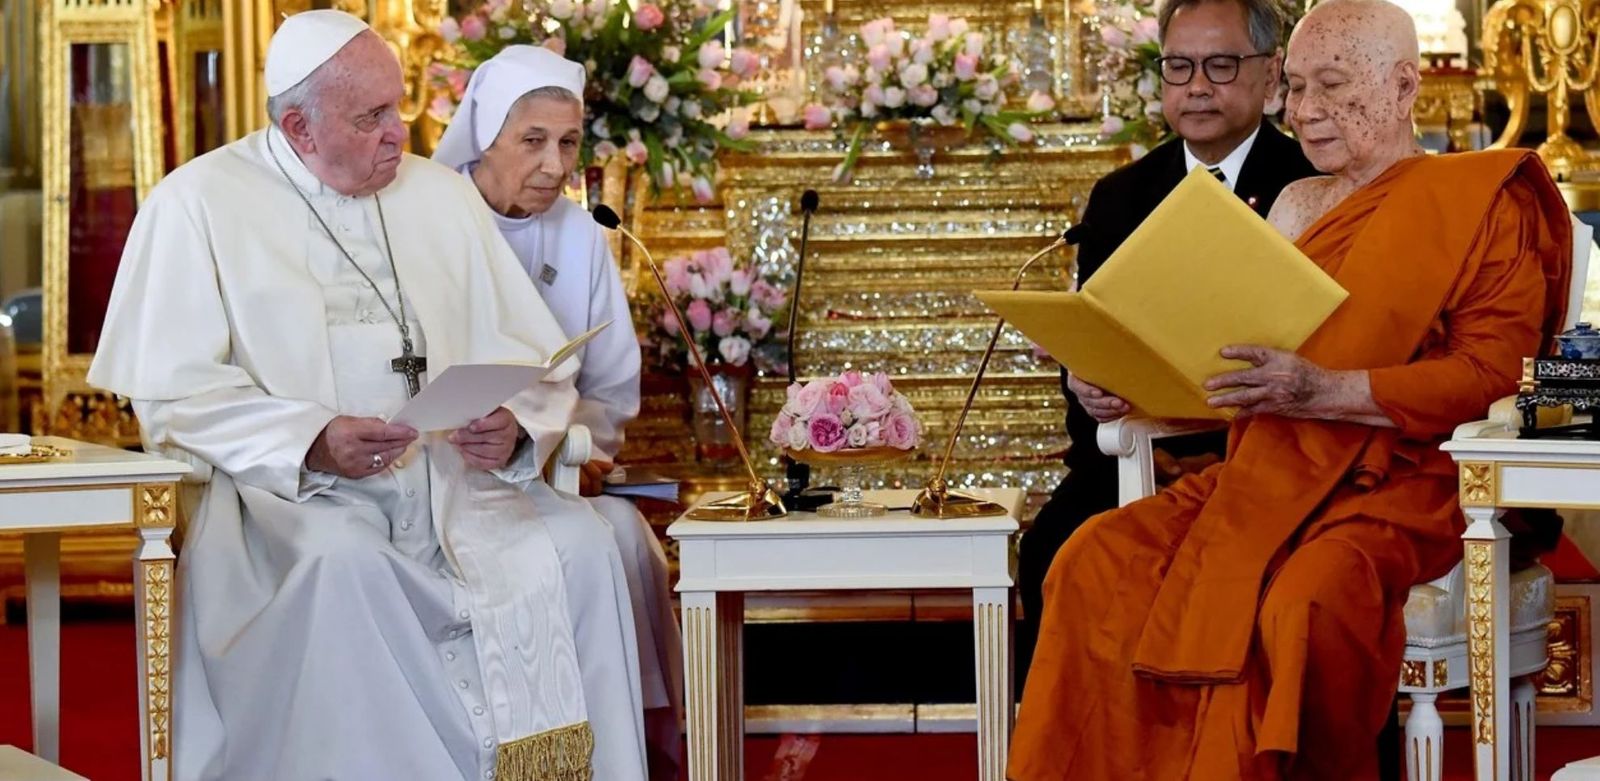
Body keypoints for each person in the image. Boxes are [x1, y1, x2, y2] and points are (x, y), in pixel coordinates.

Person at [1009, 1, 1573, 778]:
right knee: (1090, 561)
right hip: (1269, 471)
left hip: (1406, 480)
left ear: (1405, 84)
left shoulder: (1480, 199)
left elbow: (1489, 376)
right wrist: (1115, 380)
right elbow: (1230, 367)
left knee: (1303, 597)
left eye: (1333, 86)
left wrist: (1327, 390)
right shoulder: (1296, 205)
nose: (1305, 111)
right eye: (1297, 87)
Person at [86, 11, 649, 780]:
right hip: (290, 506)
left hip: (455, 486)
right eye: (372, 117)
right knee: (343, 562)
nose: (399, 135)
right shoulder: (198, 205)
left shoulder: (439, 199)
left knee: (581, 544)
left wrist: (516, 429)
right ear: (299, 127)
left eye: (399, 109)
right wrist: (311, 439)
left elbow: (536, 359)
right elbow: (173, 401)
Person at [1017, 0, 1318, 683]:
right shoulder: (1121, 195)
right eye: (1179, 67)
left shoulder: (1309, 183)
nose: (1197, 86)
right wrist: (1086, 384)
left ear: (1271, 76)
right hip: (1133, 456)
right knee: (1053, 550)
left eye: (1220, 65)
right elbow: (1094, 340)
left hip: (1270, 457)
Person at [431, 45, 684, 781]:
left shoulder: (580, 235)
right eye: (532, 140)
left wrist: (576, 446)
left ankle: (624, 749)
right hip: (440, 471)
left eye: (568, 142)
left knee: (624, 540)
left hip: (548, 469)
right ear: (486, 136)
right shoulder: (428, 217)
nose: (553, 164)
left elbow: (608, 387)